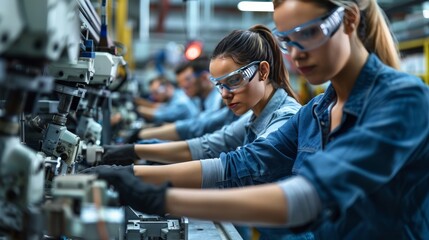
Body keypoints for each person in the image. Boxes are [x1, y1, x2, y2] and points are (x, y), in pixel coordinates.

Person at [84, 0, 429, 239]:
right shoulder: (316, 111)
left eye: (308, 34)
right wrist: (130, 172)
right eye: (287, 41)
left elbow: (308, 197)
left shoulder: (402, 99)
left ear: (349, 21)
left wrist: (160, 197)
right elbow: (238, 163)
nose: (295, 55)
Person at [93, 24, 301, 239]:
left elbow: (237, 165)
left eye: (234, 81)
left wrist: (132, 175)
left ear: (263, 71)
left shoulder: (286, 117)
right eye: (219, 85)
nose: (225, 94)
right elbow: (210, 145)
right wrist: (133, 151)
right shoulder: (253, 115)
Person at [134, 76, 199, 124]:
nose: (153, 97)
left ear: (168, 87)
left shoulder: (181, 102)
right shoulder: (175, 96)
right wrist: (136, 100)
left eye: (156, 92)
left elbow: (160, 115)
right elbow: (158, 107)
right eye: (152, 94)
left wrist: (136, 109)